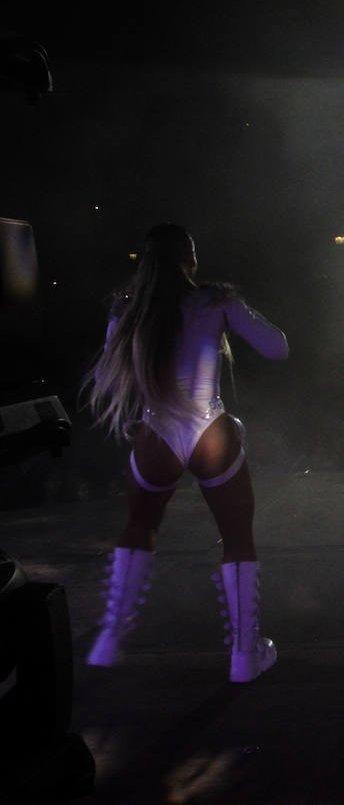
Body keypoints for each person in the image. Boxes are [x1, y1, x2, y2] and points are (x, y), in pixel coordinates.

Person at [83, 224, 289, 682]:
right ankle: (244, 654)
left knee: (139, 527)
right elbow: (278, 348)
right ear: (190, 259)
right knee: (237, 536)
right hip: (209, 429)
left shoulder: (128, 309)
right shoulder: (214, 302)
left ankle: (109, 639)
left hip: (157, 430)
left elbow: (102, 380)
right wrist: (235, 307)